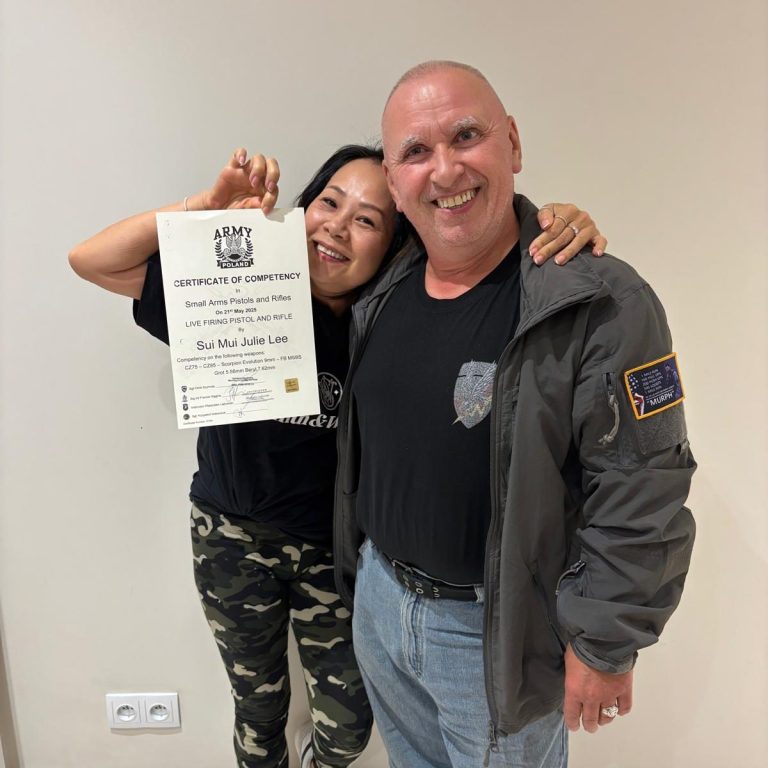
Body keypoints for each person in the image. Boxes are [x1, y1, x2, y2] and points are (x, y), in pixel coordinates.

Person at [68, 143, 607, 768]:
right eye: (329, 203)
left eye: (367, 219)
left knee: (349, 727)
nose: (338, 227)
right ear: (303, 209)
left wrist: (554, 224)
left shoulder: (392, 321)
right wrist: (207, 207)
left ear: (393, 244)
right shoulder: (232, 297)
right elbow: (91, 260)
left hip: (334, 552)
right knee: (258, 714)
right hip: (230, 539)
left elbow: (490, 272)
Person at [333, 61, 696, 768]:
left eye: (466, 136)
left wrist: (606, 642)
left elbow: (644, 485)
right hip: (379, 603)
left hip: (495, 636)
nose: (445, 169)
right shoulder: (381, 284)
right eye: (416, 151)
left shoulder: (599, 301)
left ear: (513, 144)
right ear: (395, 184)